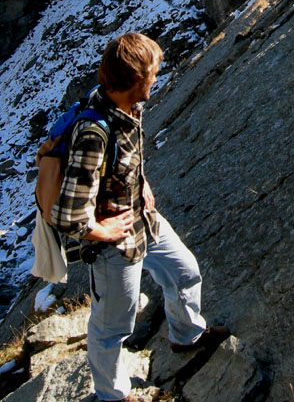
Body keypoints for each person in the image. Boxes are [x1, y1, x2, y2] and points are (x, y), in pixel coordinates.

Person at [51, 32, 227, 402]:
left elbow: (124, 157)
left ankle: (186, 336)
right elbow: (68, 215)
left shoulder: (129, 107)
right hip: (116, 245)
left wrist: (140, 181)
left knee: (184, 272)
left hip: (145, 220)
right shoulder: (93, 135)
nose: (157, 78)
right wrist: (102, 230)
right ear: (134, 80)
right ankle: (113, 395)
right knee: (112, 327)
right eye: (152, 74)